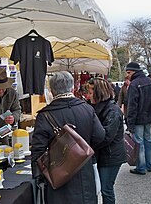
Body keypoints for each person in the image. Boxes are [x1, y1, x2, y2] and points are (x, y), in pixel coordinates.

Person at [31, 71, 105, 204]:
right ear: (73, 88)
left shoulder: (45, 115)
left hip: (58, 174)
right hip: (83, 170)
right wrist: (83, 147)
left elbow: (38, 151)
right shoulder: (87, 109)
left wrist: (37, 177)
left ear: (52, 91)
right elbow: (100, 136)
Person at [87, 77, 126, 204]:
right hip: (103, 154)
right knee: (104, 188)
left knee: (106, 189)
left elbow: (107, 136)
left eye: (91, 92)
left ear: (98, 93)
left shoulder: (112, 110)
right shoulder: (98, 107)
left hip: (111, 156)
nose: (88, 95)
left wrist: (89, 145)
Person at [125, 62, 151, 175]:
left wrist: (130, 123)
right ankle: (150, 165)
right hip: (149, 117)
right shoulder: (149, 82)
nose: (127, 75)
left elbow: (132, 106)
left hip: (138, 118)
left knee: (139, 143)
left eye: (128, 72)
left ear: (134, 71)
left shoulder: (134, 84)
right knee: (148, 140)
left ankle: (141, 167)